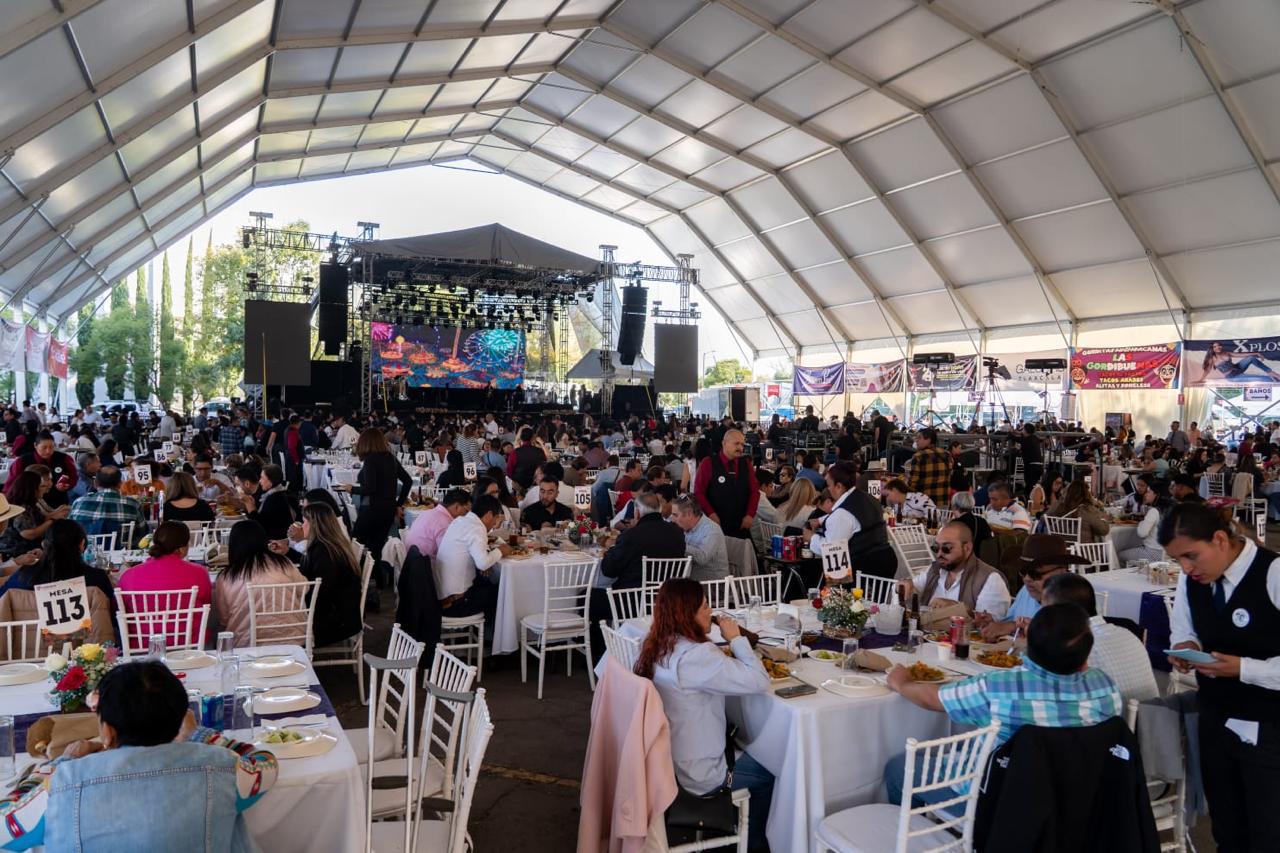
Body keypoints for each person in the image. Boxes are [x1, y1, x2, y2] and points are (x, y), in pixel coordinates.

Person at [0, 660, 278, 851]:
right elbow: (265, 763)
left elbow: (4, 823)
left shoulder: (61, 785)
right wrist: (199, 735)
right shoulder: (222, 769)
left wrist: (58, 763)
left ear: (107, 732)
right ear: (182, 718)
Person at [882, 603, 1122, 807]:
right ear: (1085, 658)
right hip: (1079, 799)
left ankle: (933, 837)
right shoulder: (1104, 686)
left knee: (899, 768)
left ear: (1029, 647)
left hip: (997, 802)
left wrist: (902, 684)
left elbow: (935, 698)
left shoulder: (1002, 687)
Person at [1161, 502, 1280, 851]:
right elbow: (1183, 627)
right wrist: (1186, 645)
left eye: (1191, 556)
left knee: (1268, 829)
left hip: (1269, 724)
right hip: (1215, 715)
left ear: (1219, 539)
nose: (1185, 568)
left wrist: (1244, 668)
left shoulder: (1272, 574)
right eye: (1177, 560)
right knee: (1226, 825)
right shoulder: (1192, 581)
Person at [636, 578, 774, 851]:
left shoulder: (655, 644)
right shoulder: (697, 656)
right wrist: (736, 639)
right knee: (770, 773)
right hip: (702, 775)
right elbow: (760, 680)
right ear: (686, 614)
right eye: (704, 606)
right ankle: (753, 844)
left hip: (667, 763)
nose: (710, 611)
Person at [1042, 573, 1158, 702]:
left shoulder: (1075, 647)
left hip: (1114, 719)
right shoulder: (1126, 633)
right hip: (1152, 715)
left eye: (1046, 611)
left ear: (1062, 612)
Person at [212, 519, 307, 648]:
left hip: (246, 643)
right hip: (293, 638)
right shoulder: (283, 563)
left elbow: (223, 618)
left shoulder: (226, 576)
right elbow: (304, 588)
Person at [977, 533, 1090, 641]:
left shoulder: (1075, 599)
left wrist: (1014, 626)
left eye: (1036, 573)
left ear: (1061, 571)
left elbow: (1067, 644)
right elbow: (1009, 622)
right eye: (1023, 571)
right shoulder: (1026, 591)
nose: (1027, 579)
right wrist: (993, 623)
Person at [117, 521, 213, 645]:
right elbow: (207, 605)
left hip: (142, 645)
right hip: (190, 644)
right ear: (182, 548)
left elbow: (120, 610)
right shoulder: (199, 573)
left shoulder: (128, 576)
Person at [336, 429, 411, 583]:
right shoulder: (390, 457)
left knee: (355, 543)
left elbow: (370, 488)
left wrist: (352, 489)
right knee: (376, 548)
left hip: (373, 509)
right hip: (388, 510)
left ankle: (355, 579)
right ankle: (376, 583)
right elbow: (408, 481)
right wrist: (398, 504)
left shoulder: (371, 460)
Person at [803, 461, 897, 579]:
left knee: (842, 594)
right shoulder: (866, 497)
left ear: (839, 486)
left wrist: (811, 538)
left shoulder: (842, 514)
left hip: (866, 567)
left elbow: (831, 550)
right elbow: (853, 518)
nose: (827, 489)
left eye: (829, 485)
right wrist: (821, 520)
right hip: (885, 559)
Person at [899, 521, 1010, 618]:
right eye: (935, 548)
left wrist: (960, 610)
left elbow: (992, 626)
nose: (939, 554)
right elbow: (913, 590)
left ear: (967, 548)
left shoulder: (990, 579)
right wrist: (906, 586)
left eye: (947, 548)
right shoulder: (935, 570)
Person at [433, 494, 511, 620]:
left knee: (487, 582)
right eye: (496, 518)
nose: (495, 523)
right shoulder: (476, 529)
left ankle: (487, 631)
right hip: (456, 604)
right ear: (489, 515)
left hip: (442, 596)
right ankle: (492, 637)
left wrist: (486, 558)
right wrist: (501, 550)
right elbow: (483, 563)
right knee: (504, 591)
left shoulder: (461, 520)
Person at [297, 503, 363, 648]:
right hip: (338, 614)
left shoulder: (325, 553)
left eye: (305, 522)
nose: (302, 526)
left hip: (337, 622)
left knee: (284, 626)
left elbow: (319, 593)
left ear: (315, 525)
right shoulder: (326, 546)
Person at [598, 492, 686, 590]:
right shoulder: (677, 533)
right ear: (659, 510)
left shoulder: (631, 535)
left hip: (632, 599)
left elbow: (609, 570)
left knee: (587, 594)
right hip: (668, 597)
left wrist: (607, 553)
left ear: (637, 513)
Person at [693, 429, 759, 539]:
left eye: (742, 444)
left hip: (741, 526)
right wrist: (711, 514)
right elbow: (698, 493)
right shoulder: (708, 463)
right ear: (724, 443)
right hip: (715, 525)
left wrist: (750, 515)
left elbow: (754, 492)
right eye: (736, 444)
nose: (740, 448)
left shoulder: (746, 464)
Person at [0, 469, 68, 558]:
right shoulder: (21, 506)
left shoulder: (30, 503)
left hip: (30, 548)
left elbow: (38, 521)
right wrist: (52, 519)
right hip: (17, 552)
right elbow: (28, 534)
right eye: (41, 486)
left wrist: (57, 513)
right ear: (32, 489)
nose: (45, 489)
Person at [4, 430, 77, 508]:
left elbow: (73, 477)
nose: (48, 451)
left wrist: (66, 485)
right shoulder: (22, 461)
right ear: (35, 445)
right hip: (31, 504)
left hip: (58, 501)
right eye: (44, 448)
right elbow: (11, 484)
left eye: (51, 447)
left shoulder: (64, 458)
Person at [671, 495, 729, 582]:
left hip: (714, 585)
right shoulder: (684, 527)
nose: (672, 519)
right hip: (692, 580)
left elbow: (702, 558)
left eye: (675, 515)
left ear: (689, 514)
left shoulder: (712, 530)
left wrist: (679, 544)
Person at [403, 488, 470, 560]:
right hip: (424, 566)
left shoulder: (428, 512)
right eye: (466, 511)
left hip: (411, 561)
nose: (467, 515)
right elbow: (449, 555)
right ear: (457, 507)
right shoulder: (446, 523)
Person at [1118, 479, 1170, 564]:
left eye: (1149, 492)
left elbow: (1142, 533)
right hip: (1167, 554)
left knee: (1119, 555)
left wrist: (1142, 522)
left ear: (1156, 495)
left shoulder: (1154, 511)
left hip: (1152, 553)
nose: (1146, 494)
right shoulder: (1171, 509)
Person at [1046, 478, 1112, 543]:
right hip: (1083, 551)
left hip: (1060, 549)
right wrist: (1104, 519)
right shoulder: (1086, 510)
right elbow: (1104, 530)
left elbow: (1042, 519)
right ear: (1086, 494)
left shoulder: (1058, 506)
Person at [246, 464, 297, 541]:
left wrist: (250, 507)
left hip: (275, 541)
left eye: (262, 478)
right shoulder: (277, 494)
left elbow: (260, 526)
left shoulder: (276, 498)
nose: (260, 481)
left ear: (271, 480)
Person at [907, 427, 952, 508]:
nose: (916, 440)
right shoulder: (947, 454)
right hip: (943, 502)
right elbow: (949, 473)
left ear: (928, 440)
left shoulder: (918, 456)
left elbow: (912, 483)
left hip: (924, 503)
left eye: (919, 438)